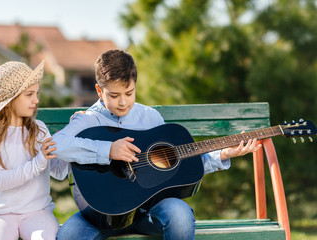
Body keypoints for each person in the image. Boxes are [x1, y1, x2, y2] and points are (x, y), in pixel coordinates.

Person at [52, 49, 262, 240]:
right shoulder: (88, 120)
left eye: (129, 93)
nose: (123, 102)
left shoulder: (150, 117)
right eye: (114, 95)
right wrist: (108, 150)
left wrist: (223, 154)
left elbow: (177, 166)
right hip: (98, 217)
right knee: (69, 236)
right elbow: (56, 144)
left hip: (147, 213)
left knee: (179, 215)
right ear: (99, 91)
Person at [0, 60, 69, 240]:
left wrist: (68, 144)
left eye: (37, 93)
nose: (36, 100)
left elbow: (59, 172)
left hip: (37, 212)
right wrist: (39, 162)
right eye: (29, 94)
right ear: (10, 99)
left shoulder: (39, 129)